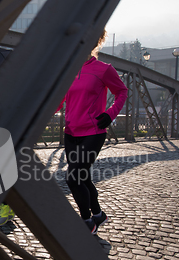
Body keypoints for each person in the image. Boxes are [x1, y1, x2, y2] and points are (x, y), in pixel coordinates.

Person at [55, 29, 128, 234]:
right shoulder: (68, 71)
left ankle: (87, 222)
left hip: (93, 132)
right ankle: (98, 214)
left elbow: (122, 91)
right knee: (83, 177)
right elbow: (58, 101)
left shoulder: (103, 69)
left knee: (73, 177)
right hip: (71, 132)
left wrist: (110, 114)